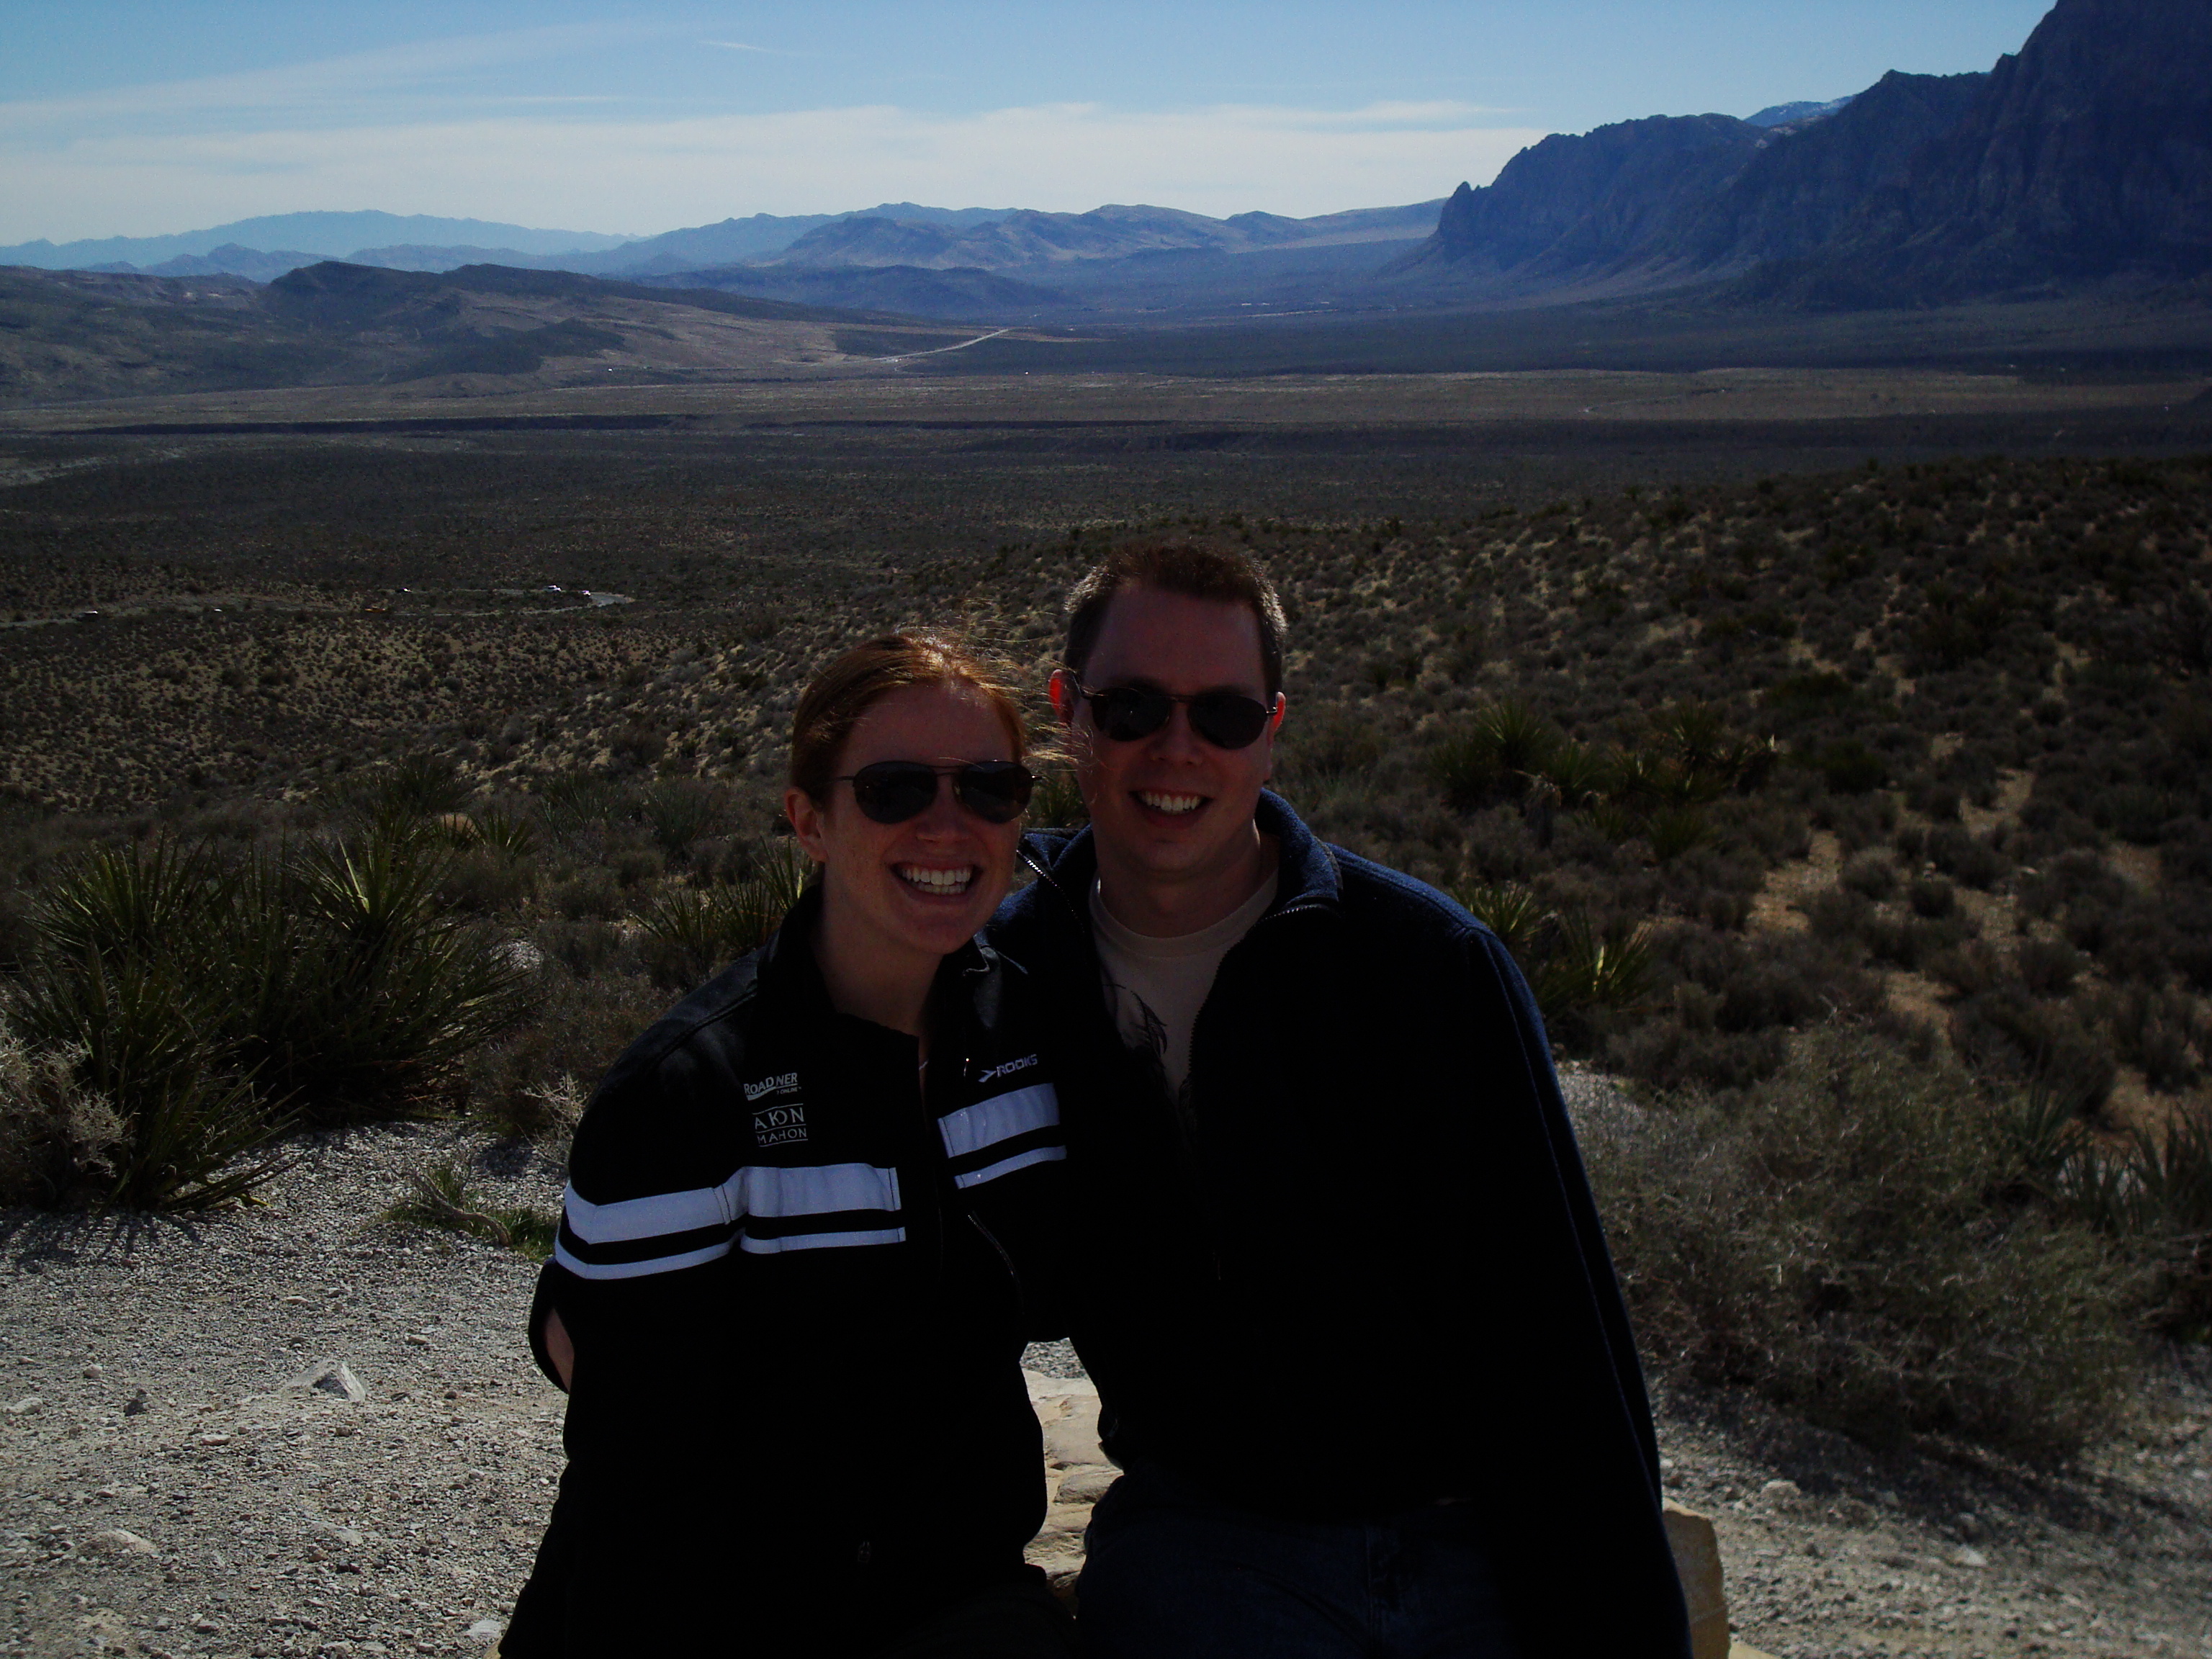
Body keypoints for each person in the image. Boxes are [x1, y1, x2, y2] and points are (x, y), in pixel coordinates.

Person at [988, 544, 1693, 1659]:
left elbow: (1554, 1340)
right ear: (1068, 713)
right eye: (1131, 709)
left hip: (1472, 1538)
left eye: (1221, 715)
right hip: (1213, 1543)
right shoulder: (1003, 978)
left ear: (1273, 727)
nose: (1177, 751)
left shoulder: (1421, 967)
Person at [504, 635, 1081, 1659]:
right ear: (810, 820)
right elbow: (634, 1485)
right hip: (718, 1615)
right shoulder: (688, 1098)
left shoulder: (1033, 1036)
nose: (948, 825)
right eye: (897, 789)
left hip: (955, 1597)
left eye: (990, 786)